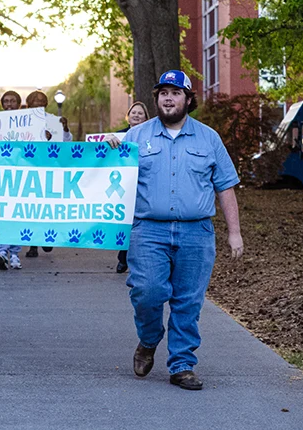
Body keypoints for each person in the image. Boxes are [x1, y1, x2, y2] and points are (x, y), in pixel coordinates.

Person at [105, 70, 244, 391]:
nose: (168, 97)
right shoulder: (137, 136)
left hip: (196, 234)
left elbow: (225, 186)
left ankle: (182, 364)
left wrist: (234, 232)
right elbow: (102, 172)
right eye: (163, 92)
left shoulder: (209, 138)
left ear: (188, 99)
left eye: (176, 92)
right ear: (156, 99)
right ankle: (150, 338)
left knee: (188, 301)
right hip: (148, 232)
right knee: (147, 292)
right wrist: (109, 147)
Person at [23, 90, 71, 258]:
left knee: (46, 205)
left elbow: (66, 143)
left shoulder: (53, 120)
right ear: (28, 103)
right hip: (27, 169)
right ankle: (33, 244)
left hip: (48, 169)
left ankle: (46, 237)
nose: (39, 103)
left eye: (42, 101)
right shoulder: (20, 121)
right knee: (31, 208)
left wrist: (64, 129)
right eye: (35, 100)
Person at [114, 101, 150, 273]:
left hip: (144, 186)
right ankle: (123, 258)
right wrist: (107, 142)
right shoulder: (117, 136)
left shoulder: (151, 136)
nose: (136, 115)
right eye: (133, 112)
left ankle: (137, 259)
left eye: (140, 113)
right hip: (122, 186)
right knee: (126, 222)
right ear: (128, 116)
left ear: (146, 118)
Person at [0, 90, 24, 270]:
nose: (9, 104)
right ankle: (2, 251)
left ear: (19, 104)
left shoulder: (29, 124)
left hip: (21, 174)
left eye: (13, 101)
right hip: (1, 174)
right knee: (3, 213)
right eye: (6, 101)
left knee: (18, 215)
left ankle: (14, 253)